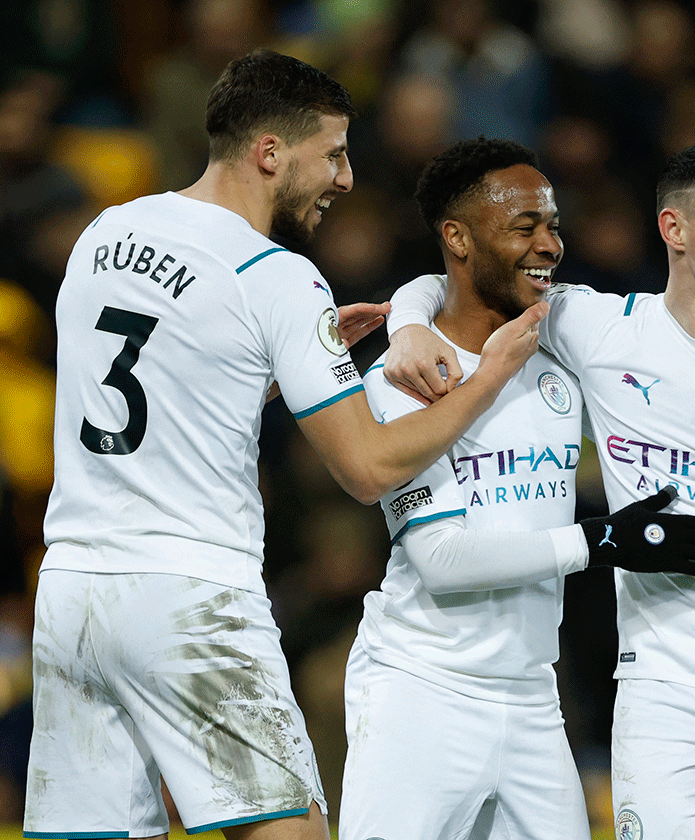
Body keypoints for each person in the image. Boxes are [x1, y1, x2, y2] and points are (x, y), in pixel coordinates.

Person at [25, 49, 547, 840]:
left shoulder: (107, 230)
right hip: (190, 594)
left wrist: (267, 370)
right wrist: (491, 376)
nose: (345, 177)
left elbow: (135, 386)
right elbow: (369, 469)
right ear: (270, 152)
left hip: (71, 595)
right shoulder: (276, 276)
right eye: (333, 154)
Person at [384, 141, 695, 839]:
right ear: (674, 229)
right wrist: (406, 321)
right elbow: (473, 278)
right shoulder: (598, 329)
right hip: (663, 698)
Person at [338, 136, 695, 839]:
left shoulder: (560, 342)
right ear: (457, 237)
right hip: (420, 691)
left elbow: (675, 331)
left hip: (530, 696)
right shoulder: (404, 379)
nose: (549, 243)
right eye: (524, 226)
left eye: (553, 224)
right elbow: (443, 561)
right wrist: (602, 540)